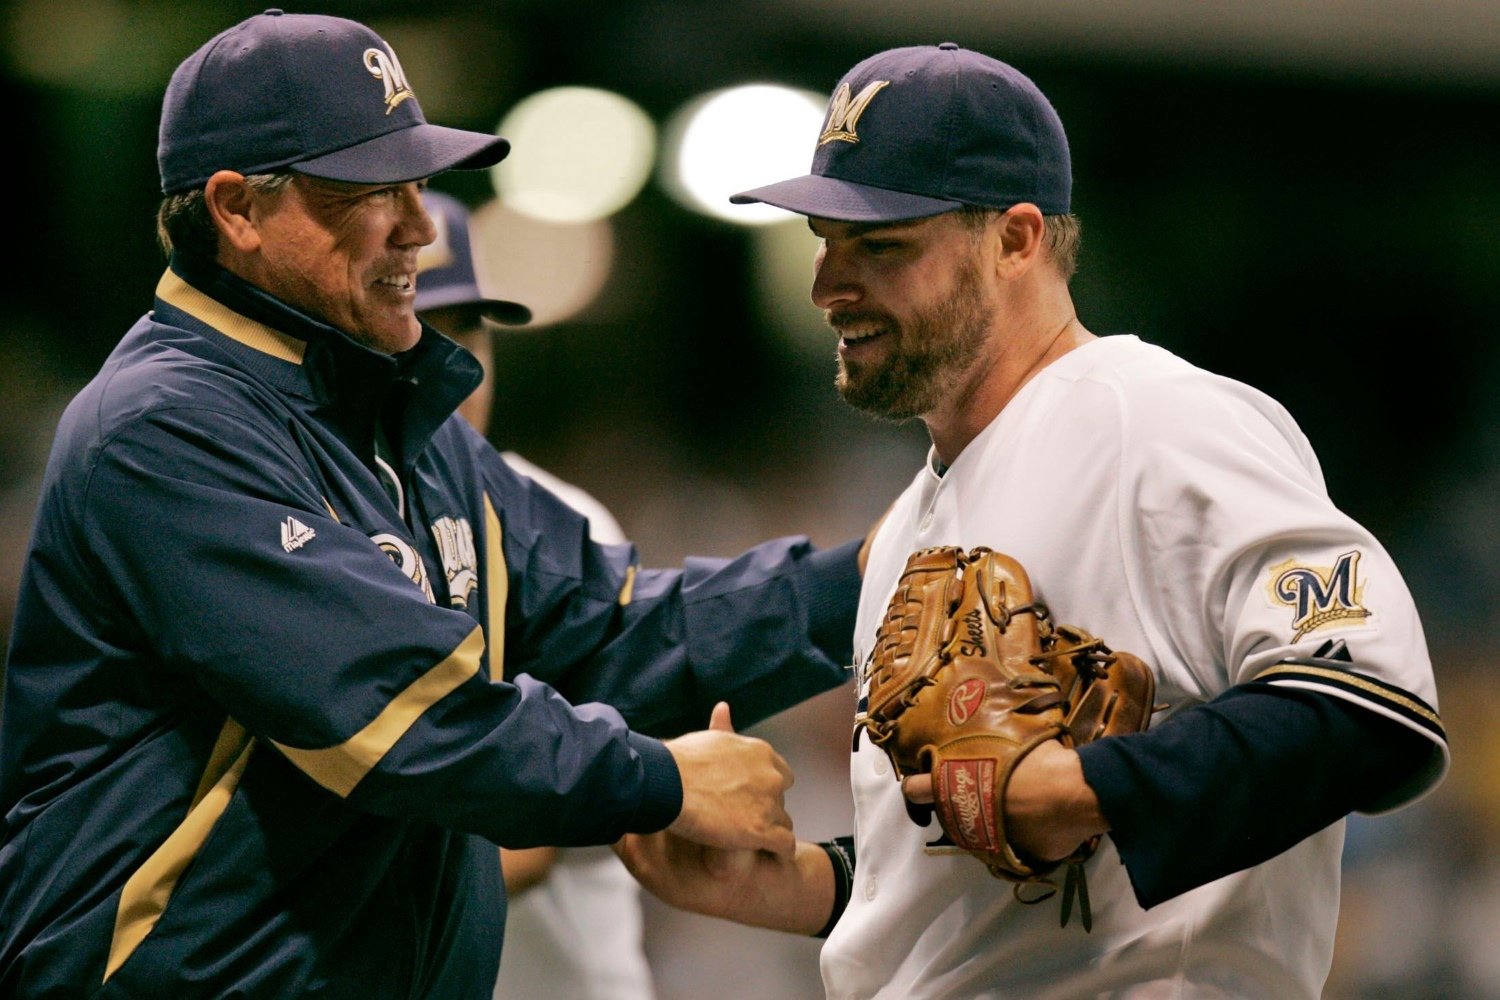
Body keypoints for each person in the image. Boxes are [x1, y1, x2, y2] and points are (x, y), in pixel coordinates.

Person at [0, 11, 869, 997]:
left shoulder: (399, 422)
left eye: (419, 180)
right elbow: (398, 716)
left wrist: (871, 578)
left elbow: (614, 630)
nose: (422, 222)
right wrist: (664, 778)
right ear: (238, 209)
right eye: (373, 188)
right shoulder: (162, 424)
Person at [615, 42, 1451, 999]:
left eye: (881, 246)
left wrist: (1088, 789)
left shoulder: (1155, 420)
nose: (828, 286)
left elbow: (1374, 704)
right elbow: (993, 889)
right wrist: (801, 885)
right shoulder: (920, 509)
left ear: (1016, 240)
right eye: (825, 240)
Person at [413, 188, 657, 1000]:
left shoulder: (556, 523)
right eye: (421, 332)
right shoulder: (324, 523)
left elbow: (535, 832)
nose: (455, 366)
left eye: (467, 328)